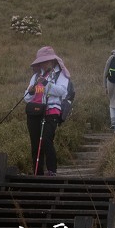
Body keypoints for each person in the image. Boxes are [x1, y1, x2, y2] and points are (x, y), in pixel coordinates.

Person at [23, 46, 71, 176]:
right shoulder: (35, 76)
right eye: (41, 61)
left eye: (46, 60)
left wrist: (46, 84)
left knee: (46, 140)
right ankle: (37, 172)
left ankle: (51, 170)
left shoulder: (61, 74)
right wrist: (31, 90)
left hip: (52, 111)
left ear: (53, 60)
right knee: (35, 142)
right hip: (34, 112)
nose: (43, 64)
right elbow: (27, 98)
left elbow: (62, 91)